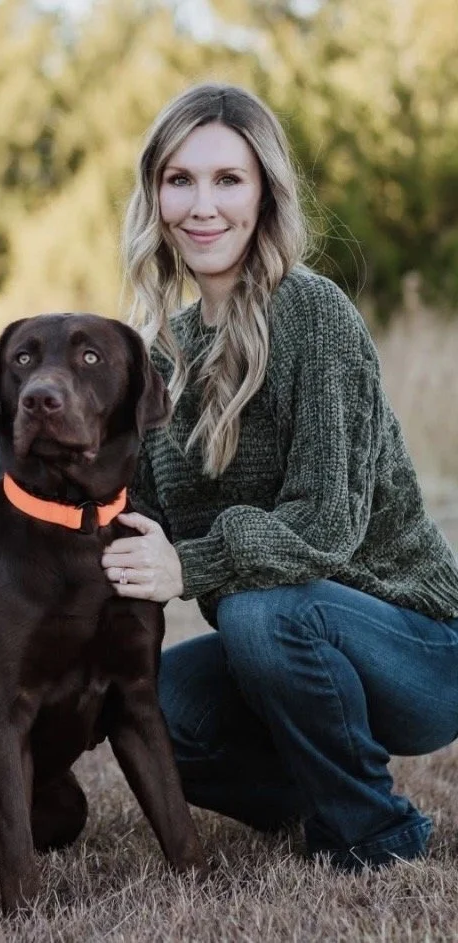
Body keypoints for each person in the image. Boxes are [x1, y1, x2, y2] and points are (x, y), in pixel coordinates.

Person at [98, 82, 458, 870]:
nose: (203, 206)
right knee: (148, 703)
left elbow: (326, 526)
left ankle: (375, 831)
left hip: (419, 647)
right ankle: (318, 790)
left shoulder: (313, 313)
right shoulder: (157, 357)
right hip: (279, 650)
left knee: (261, 612)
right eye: (180, 179)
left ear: (265, 193)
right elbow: (129, 522)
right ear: (155, 195)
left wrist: (188, 565)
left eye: (228, 179)